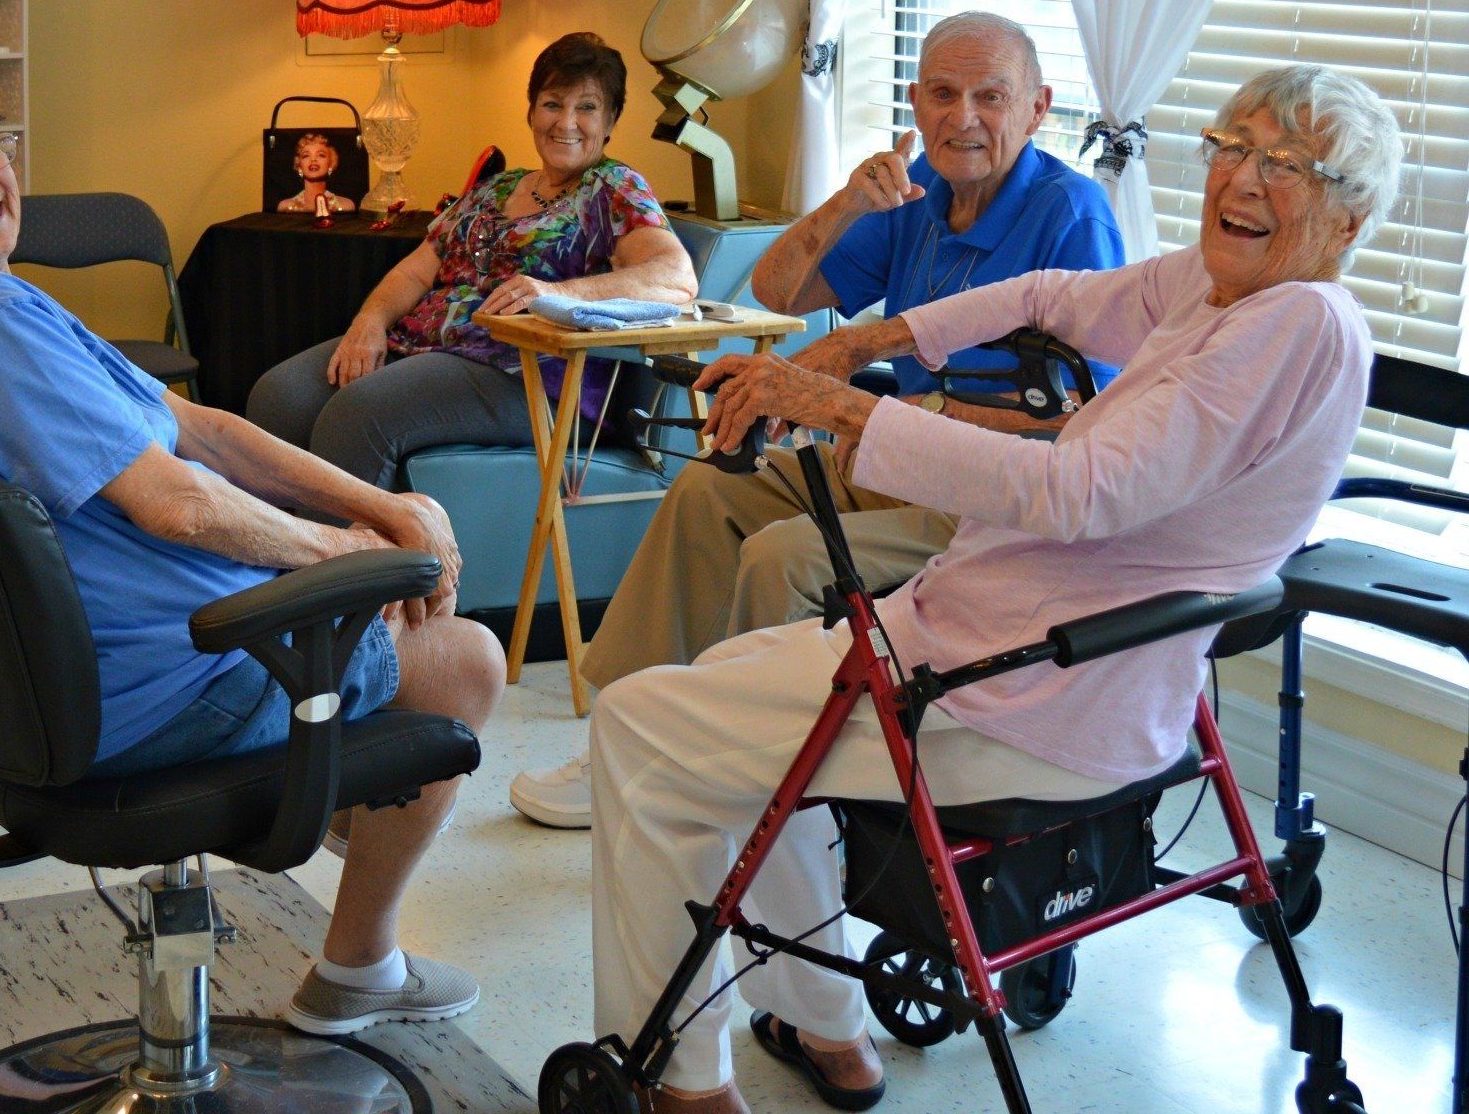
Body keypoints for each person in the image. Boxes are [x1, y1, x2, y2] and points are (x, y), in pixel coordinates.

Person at [588, 64, 1399, 1113]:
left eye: (1286, 164)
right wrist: (871, 339)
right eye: (1230, 146)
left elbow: (1078, 488)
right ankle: (826, 1028)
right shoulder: (1220, 290)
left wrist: (839, 406)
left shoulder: (1292, 324)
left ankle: (685, 1086)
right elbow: (1049, 297)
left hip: (1015, 693)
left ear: (1351, 215)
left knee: (637, 724)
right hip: (1031, 658)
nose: (1240, 178)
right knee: (735, 686)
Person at [0, 66, 505, 1038]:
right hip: (165, 686)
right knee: (464, 659)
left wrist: (384, 508)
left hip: (64, 689)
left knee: (382, 627)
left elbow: (199, 429)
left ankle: (344, 808)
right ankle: (360, 964)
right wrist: (338, 555)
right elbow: (180, 505)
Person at [511, 11, 1128, 829]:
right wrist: (844, 203)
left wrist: (916, 413)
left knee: (783, 556)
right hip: (893, 457)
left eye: (991, 96)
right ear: (915, 101)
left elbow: (1085, 419)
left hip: (990, 499)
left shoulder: (1071, 216)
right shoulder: (920, 198)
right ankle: (625, 739)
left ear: (1039, 107)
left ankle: (741, 776)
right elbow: (778, 290)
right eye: (942, 94)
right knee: (704, 494)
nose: (963, 117)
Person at [247, 31, 698, 490]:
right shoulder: (499, 187)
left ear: (610, 120)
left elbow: (676, 277)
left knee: (358, 413)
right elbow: (416, 269)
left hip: (524, 371)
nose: (566, 122)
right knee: (279, 397)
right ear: (530, 111)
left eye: (587, 107)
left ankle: (332, 555)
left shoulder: (613, 188)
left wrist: (556, 293)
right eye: (552, 103)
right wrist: (370, 321)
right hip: (426, 345)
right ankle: (264, 550)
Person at [276, 131, 356, 215]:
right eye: (306, 155)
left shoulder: (345, 206)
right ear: (299, 166)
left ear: (331, 164)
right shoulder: (285, 207)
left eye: (321, 155)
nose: (313, 159)